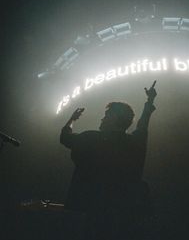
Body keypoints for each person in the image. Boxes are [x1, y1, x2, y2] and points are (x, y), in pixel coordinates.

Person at [60, 80, 157, 216]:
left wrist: (72, 119)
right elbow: (143, 125)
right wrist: (150, 101)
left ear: (113, 117)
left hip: (84, 211)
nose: (102, 119)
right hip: (122, 218)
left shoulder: (91, 138)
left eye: (106, 115)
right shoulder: (135, 143)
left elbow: (64, 137)